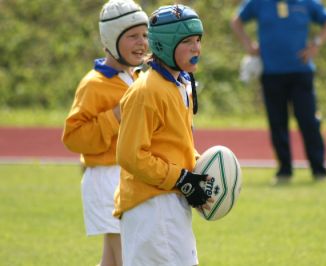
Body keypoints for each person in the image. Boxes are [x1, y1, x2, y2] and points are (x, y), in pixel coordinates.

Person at [113, 4, 213, 266]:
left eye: (198, 40)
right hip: (151, 209)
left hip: (169, 201)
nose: (197, 49)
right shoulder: (146, 92)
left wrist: (198, 171)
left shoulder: (179, 85)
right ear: (165, 46)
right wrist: (181, 178)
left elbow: (174, 143)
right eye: (188, 41)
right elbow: (130, 155)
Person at [61, 0, 148, 265]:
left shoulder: (137, 77)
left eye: (145, 35)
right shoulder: (93, 84)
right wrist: (114, 116)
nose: (141, 42)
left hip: (127, 175)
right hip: (105, 179)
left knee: (112, 259)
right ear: (111, 39)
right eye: (132, 36)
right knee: (126, 256)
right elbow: (74, 137)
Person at [231, 0, 326, 184]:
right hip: (271, 73)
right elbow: (236, 21)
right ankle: (284, 170)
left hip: (300, 72)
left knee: (308, 121)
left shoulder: (307, 3)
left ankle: (318, 169)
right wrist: (248, 44)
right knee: (277, 123)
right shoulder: (259, 3)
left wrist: (316, 44)